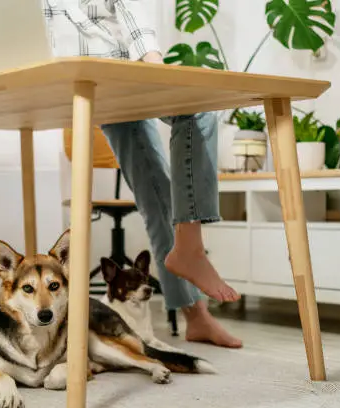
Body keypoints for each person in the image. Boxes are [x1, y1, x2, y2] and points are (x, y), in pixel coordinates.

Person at [44, 0, 242, 348]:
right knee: (156, 197)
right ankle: (194, 302)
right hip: (68, 81)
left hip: (120, 70)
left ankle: (191, 268)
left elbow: (128, 6)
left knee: (195, 110)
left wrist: (151, 57)